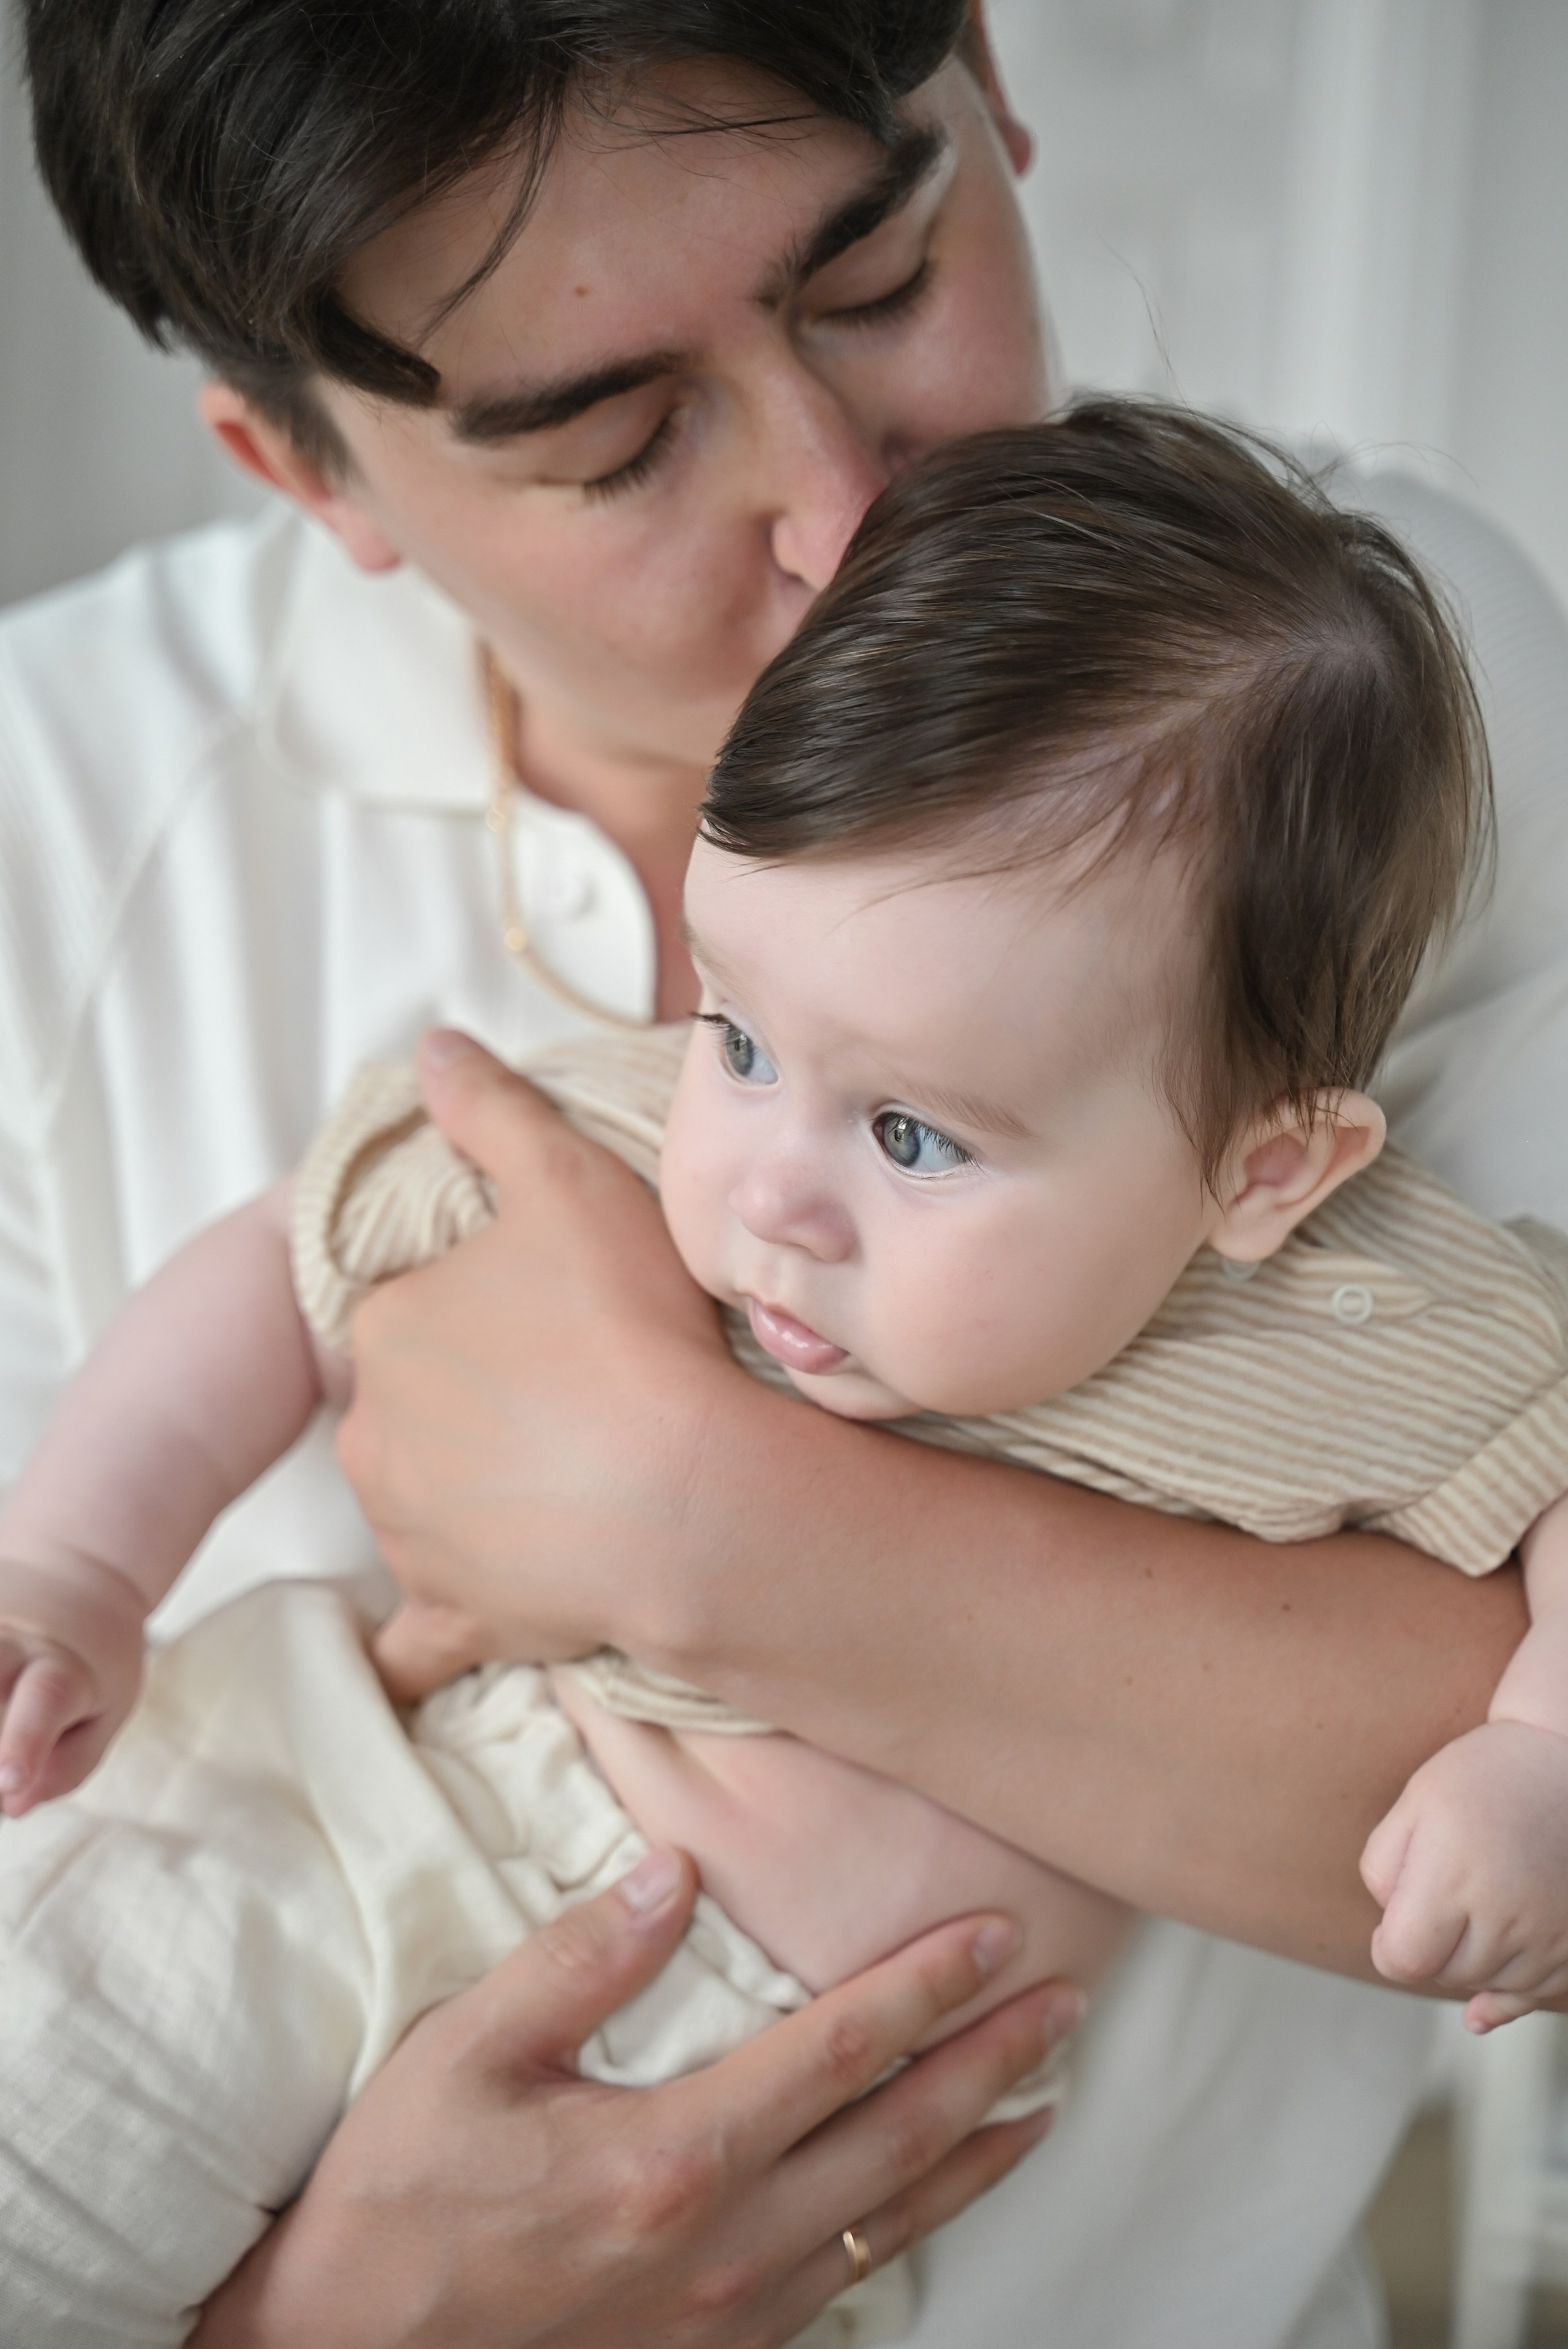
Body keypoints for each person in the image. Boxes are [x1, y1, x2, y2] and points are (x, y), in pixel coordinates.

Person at [3, 2, 1561, 2343]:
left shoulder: (1350, 695)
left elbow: (1468, 1808)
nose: (846, 512)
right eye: (618, 439)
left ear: (992, 88)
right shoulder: (60, 825)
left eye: (878, 277)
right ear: (302, 467)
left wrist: (686, 1516)